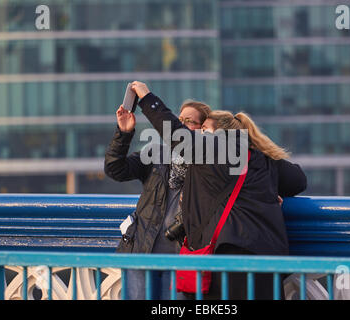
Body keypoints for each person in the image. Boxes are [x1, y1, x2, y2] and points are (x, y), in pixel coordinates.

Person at [130, 80, 307, 300]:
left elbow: (177, 135)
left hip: (227, 261)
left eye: (204, 129)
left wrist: (147, 98)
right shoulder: (261, 158)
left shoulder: (217, 148)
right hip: (268, 262)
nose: (200, 134)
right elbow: (298, 181)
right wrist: (267, 190)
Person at [104, 97, 211, 300]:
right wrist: (124, 133)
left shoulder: (209, 163)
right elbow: (115, 170)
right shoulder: (157, 153)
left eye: (189, 121)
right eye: (180, 119)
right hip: (142, 252)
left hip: (183, 259)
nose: (181, 125)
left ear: (202, 130)